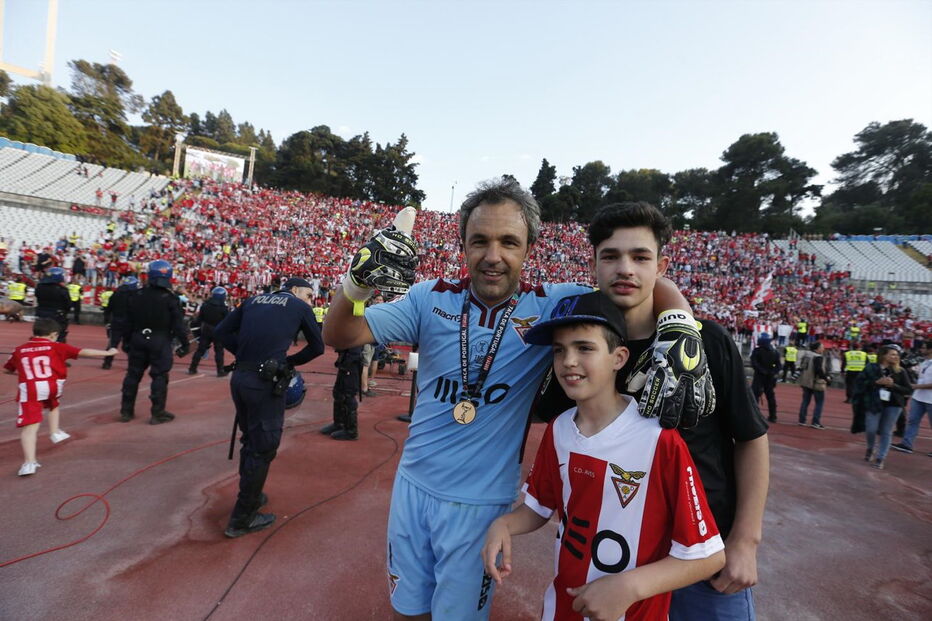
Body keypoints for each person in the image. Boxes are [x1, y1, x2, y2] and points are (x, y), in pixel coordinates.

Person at [323, 181, 709, 620]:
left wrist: (680, 319)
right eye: (480, 241)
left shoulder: (553, 304)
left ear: (529, 249)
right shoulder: (428, 298)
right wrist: (355, 285)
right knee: (406, 609)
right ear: (463, 245)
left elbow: (634, 282)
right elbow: (339, 334)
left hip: (481, 506)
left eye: (509, 242)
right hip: (411, 487)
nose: (493, 256)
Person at [482, 291, 725, 621]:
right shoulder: (559, 429)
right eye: (559, 350)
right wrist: (503, 524)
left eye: (584, 348)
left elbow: (707, 556)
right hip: (562, 610)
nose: (568, 361)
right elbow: (539, 508)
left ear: (619, 357)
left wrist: (628, 588)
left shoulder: (659, 438)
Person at [582, 203, 769, 621]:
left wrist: (745, 542)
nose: (625, 268)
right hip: (617, 554)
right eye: (610, 256)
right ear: (593, 264)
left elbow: (751, 439)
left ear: (661, 265)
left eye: (640, 257)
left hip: (704, 560)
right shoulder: (585, 350)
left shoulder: (710, 340)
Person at [213, 277, 323, 538]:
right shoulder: (298, 306)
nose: (310, 301)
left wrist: (244, 354)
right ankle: (242, 518)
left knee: (249, 439)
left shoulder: (252, 300)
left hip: (240, 378)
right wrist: (286, 362)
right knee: (263, 447)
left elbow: (220, 332)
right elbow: (317, 347)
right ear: (295, 290)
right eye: (309, 295)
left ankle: (252, 496)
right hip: (264, 383)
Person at [4, 318, 117, 476]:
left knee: (30, 428)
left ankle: (29, 462)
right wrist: (108, 352)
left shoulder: (19, 350)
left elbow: (8, 368)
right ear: (54, 334)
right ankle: (55, 431)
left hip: (30, 389)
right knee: (53, 404)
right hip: (53, 385)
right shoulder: (57, 346)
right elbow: (83, 351)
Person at [119, 260, 191, 424]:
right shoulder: (170, 298)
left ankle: (126, 411)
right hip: (160, 340)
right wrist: (185, 344)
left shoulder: (136, 295)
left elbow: (127, 321)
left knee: (132, 375)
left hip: (138, 338)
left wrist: (126, 341)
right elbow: (178, 325)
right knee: (159, 376)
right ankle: (157, 413)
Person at [856, 345, 912, 469]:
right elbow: (860, 383)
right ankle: (871, 448)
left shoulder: (901, 371)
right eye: (892, 354)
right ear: (883, 355)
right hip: (874, 402)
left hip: (893, 404)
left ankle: (881, 458)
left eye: (897, 354)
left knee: (886, 431)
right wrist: (876, 382)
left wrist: (893, 385)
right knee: (871, 429)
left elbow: (908, 389)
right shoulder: (871, 367)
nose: (895, 357)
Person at [892, 340, 932, 456]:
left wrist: (916, 386)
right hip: (918, 397)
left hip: (930, 399)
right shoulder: (924, 362)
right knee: (912, 421)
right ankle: (906, 444)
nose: (921, 350)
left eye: (924, 348)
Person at [322, 345, 363, 440]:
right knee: (338, 393)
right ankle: (339, 423)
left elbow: (355, 351)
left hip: (351, 364)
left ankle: (351, 431)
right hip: (345, 361)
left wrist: (346, 365)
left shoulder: (355, 331)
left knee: (348, 396)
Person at [188, 286, 230, 376]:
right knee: (219, 351)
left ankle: (192, 368)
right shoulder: (223, 308)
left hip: (206, 329)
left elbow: (199, 319)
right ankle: (220, 371)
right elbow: (227, 321)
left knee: (200, 349)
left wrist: (197, 331)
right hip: (218, 330)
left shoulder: (205, 305)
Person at [102, 277, 139, 369]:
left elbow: (108, 309)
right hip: (130, 323)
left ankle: (107, 362)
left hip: (116, 322)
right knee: (130, 344)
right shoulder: (136, 296)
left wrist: (107, 321)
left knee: (113, 344)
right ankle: (132, 364)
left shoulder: (116, 294)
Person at [797, 341, 830, 429]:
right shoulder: (818, 357)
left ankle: (802, 420)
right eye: (822, 347)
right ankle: (815, 422)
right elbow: (819, 370)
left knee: (805, 401)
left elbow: (801, 366)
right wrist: (826, 378)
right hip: (815, 382)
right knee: (819, 402)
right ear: (817, 349)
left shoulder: (806, 355)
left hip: (805, 380)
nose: (823, 348)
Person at [34, 267, 72, 343]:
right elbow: (68, 304)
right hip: (57, 315)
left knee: (40, 334)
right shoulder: (61, 289)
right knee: (58, 335)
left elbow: (38, 298)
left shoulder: (39, 287)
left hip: (41, 313)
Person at [750, 333, 780, 423]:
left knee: (754, 396)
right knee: (770, 397)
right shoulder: (775, 352)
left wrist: (762, 371)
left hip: (759, 377)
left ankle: (754, 415)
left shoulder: (757, 351)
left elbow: (754, 363)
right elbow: (778, 366)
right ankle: (773, 416)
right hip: (770, 378)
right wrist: (772, 372)